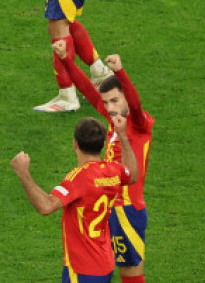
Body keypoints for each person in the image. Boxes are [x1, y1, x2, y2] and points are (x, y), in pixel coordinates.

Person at [54, 45, 153, 282]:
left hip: (128, 210)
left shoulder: (139, 124)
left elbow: (136, 106)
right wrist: (66, 60)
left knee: (130, 273)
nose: (110, 108)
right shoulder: (110, 117)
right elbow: (87, 89)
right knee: (98, 269)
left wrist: (120, 72)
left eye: (115, 101)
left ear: (126, 97)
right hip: (106, 205)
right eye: (107, 103)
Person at [10, 116, 138, 282]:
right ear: (103, 145)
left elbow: (46, 206)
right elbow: (133, 175)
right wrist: (123, 137)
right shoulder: (113, 170)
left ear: (75, 144)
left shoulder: (79, 178)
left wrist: (23, 172)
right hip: (105, 263)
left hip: (82, 268)